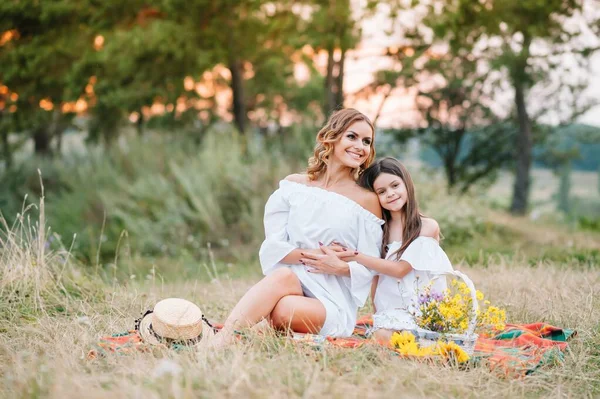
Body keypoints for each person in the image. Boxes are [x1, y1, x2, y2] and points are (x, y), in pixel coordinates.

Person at [210, 109, 384, 347]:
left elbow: (372, 265)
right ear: (330, 138)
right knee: (283, 277)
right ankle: (222, 340)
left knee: (282, 310)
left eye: (367, 141)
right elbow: (273, 247)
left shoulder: (366, 201)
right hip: (290, 283)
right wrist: (314, 255)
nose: (360, 146)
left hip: (331, 300)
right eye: (352, 137)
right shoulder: (294, 186)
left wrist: (341, 267)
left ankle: (226, 337)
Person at [301, 157, 453, 345]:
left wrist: (357, 256)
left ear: (407, 184)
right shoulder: (381, 230)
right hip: (391, 309)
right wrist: (376, 309)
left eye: (395, 185)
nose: (390, 194)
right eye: (381, 191)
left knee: (387, 337)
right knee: (381, 334)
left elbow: (400, 269)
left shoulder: (426, 227)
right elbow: (376, 275)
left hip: (423, 308)